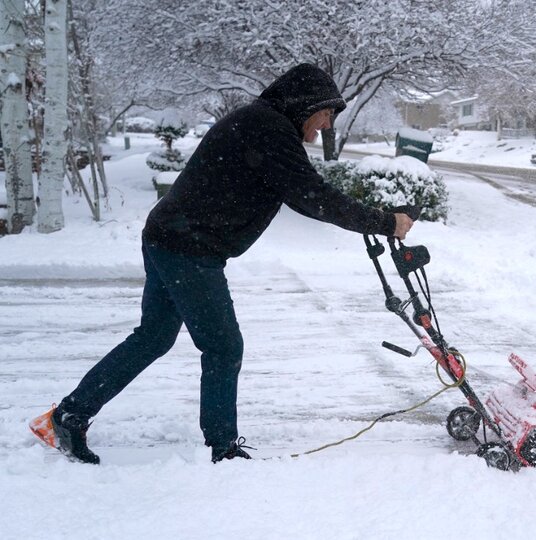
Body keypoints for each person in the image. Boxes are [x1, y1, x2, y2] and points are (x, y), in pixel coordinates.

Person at [29, 63, 414, 464]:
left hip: (169, 236)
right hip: (188, 248)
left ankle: (69, 415)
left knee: (154, 337)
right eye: (327, 115)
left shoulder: (262, 123)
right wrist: (385, 222)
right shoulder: (268, 129)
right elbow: (312, 195)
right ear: (306, 104)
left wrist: (375, 219)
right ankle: (222, 447)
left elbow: (306, 192)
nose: (327, 126)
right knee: (223, 346)